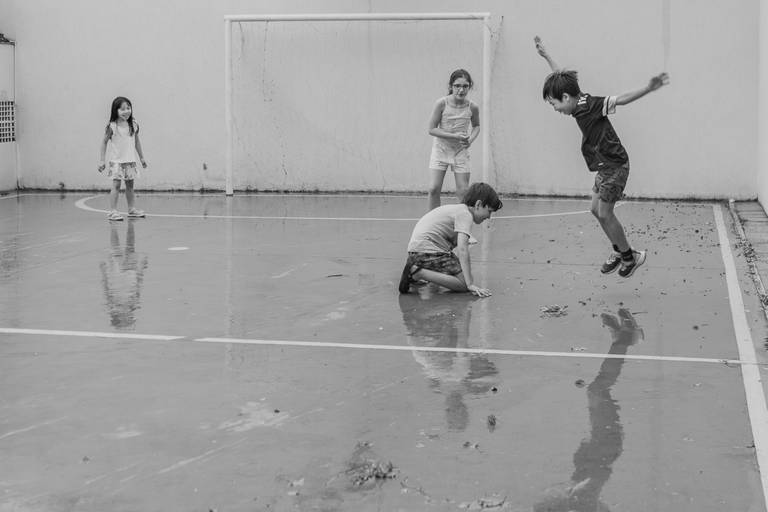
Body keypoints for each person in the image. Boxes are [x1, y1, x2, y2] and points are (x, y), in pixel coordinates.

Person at [534, 36, 669, 278]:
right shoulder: (575, 99)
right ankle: (619, 250)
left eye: (554, 104)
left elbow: (621, 99)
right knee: (595, 210)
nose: (555, 109)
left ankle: (630, 257)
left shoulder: (592, 105)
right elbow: (560, 79)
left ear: (565, 98)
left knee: (605, 213)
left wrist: (648, 88)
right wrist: (547, 56)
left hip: (615, 165)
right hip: (604, 167)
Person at [399, 181, 502, 297]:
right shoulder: (465, 215)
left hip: (416, 252)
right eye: (489, 211)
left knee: (460, 271)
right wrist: (470, 284)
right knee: (463, 284)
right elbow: (462, 250)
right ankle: (417, 272)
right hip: (428, 251)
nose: (489, 217)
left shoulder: (458, 210)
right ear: (478, 204)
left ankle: (418, 270)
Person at [427, 69, 481, 210]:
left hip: (460, 152)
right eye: (457, 86)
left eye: (465, 86)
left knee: (463, 191)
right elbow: (432, 129)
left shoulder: (472, 107)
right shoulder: (441, 103)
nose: (461, 90)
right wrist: (454, 136)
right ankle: (433, 220)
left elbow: (476, 126)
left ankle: (462, 220)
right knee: (433, 188)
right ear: (451, 86)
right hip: (441, 150)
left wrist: (470, 140)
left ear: (470, 86)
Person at [98, 96, 148, 221]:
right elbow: (104, 142)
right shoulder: (112, 126)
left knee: (130, 186)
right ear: (115, 111)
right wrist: (102, 160)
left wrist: (141, 158)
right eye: (122, 109)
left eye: (128, 108)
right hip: (117, 162)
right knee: (116, 185)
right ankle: (113, 211)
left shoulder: (133, 124)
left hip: (130, 161)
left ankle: (131, 209)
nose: (126, 111)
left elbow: (137, 142)